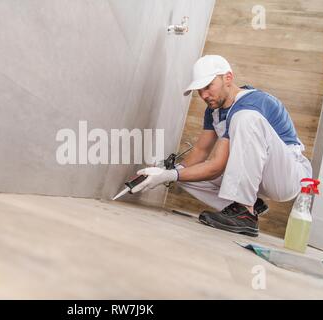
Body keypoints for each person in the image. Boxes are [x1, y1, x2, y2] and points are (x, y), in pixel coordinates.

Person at [131, 55, 312, 237]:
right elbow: (201, 151)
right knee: (182, 174)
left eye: (208, 86)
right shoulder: (213, 110)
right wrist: (166, 172)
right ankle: (250, 204)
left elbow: (217, 166)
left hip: (288, 175)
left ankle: (245, 213)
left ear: (228, 78)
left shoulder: (253, 102)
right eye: (199, 90)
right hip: (259, 174)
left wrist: (169, 174)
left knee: (246, 118)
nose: (204, 95)